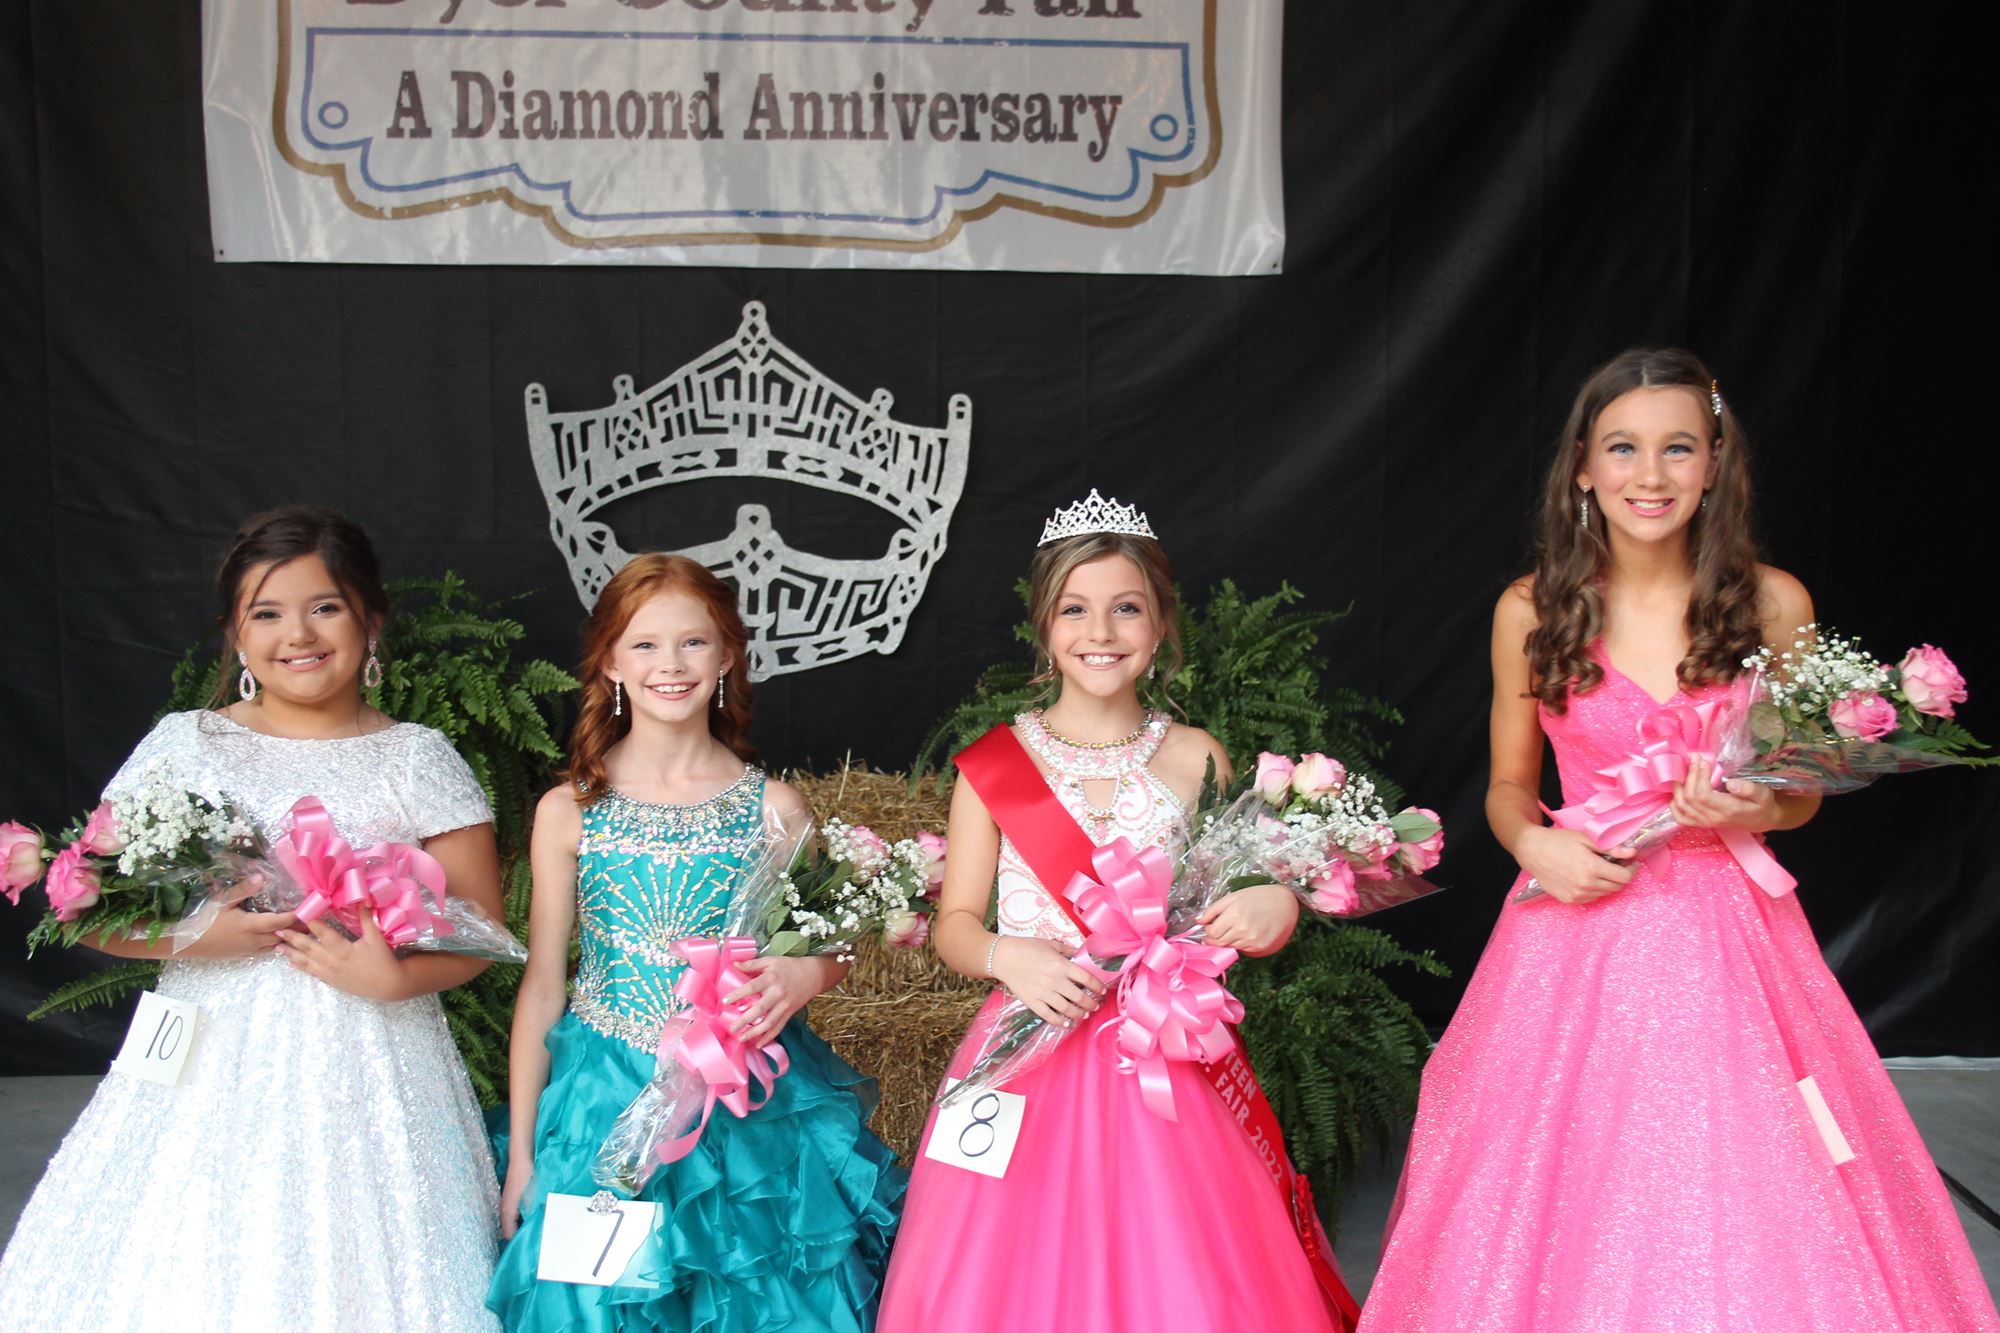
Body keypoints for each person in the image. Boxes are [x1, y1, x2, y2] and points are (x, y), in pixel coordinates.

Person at [1359, 349, 2000, 1331]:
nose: (1647, 476)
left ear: (1712, 463)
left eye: (1675, 449)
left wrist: (1753, 809)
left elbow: (1799, 800)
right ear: (1581, 465)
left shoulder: (1771, 603)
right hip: (1577, 919)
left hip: (1722, 930)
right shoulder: (1529, 610)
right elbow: (1505, 788)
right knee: (1557, 1174)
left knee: (1747, 1162)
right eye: (1621, 448)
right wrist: (1535, 849)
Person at [0, 505, 506, 1331]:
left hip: (378, 1056)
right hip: (210, 1050)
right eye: (265, 613)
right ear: (235, 636)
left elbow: (480, 928)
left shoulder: (417, 755)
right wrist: (202, 933)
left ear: (370, 620)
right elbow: (83, 906)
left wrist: (394, 975)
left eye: (325, 606)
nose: (296, 634)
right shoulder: (187, 743)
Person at [877, 493, 1354, 1333]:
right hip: (1029, 1031)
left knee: (1182, 1264)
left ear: (1161, 624)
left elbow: (1237, 885)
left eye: (1126, 607)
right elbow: (954, 922)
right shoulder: (994, 763)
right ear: (1044, 627)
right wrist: (1005, 955)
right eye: (1075, 608)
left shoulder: (1196, 753)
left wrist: (1275, 901)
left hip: (1163, 1046)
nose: (1101, 630)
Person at [487, 553, 903, 1332]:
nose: (670, 665)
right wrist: (521, 1159)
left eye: (694, 643)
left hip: (746, 1099)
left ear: (727, 657)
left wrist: (808, 973)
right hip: (603, 1092)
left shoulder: (776, 807)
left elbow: (831, 941)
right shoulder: (570, 809)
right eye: (644, 645)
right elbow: (543, 980)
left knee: (760, 1295)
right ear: (610, 661)